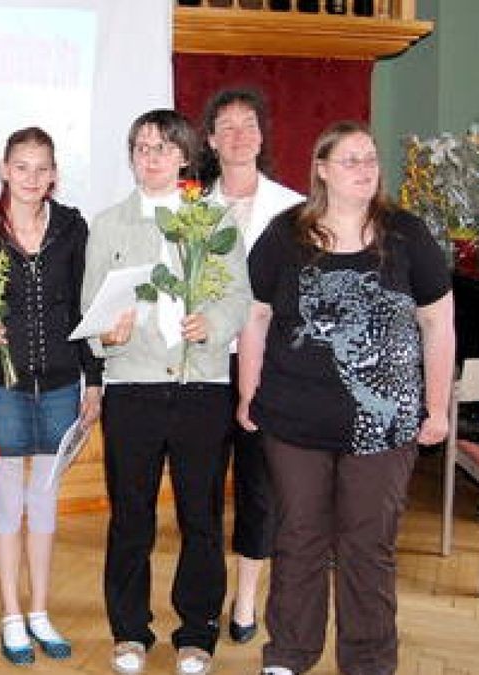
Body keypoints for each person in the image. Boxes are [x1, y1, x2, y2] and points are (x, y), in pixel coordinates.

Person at [236, 121, 454, 675]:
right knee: (299, 537)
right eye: (351, 159)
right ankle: (288, 654)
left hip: (385, 425)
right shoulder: (285, 234)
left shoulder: (407, 234)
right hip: (293, 419)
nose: (365, 169)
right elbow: (255, 319)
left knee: (367, 545)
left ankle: (369, 661)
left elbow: (438, 325)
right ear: (323, 170)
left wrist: (437, 407)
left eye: (371, 159)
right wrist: (247, 396)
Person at [82, 109, 250, 675]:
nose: (150, 158)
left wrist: (215, 325)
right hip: (133, 386)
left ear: (184, 156)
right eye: (141, 148)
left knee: (200, 515)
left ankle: (197, 631)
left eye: (161, 147)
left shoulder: (214, 218)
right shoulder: (107, 224)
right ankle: (129, 631)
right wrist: (108, 333)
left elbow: (238, 298)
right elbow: (90, 312)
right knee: (131, 516)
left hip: (201, 385)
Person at [0, 127, 103, 666]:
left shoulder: (72, 227)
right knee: (6, 502)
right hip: (5, 388)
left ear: (54, 174)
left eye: (41, 168)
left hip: (63, 383)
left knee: (44, 502)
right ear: (4, 169)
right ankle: (10, 615)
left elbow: (85, 309)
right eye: (21, 166)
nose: (31, 177)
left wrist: (94, 379)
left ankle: (40, 609)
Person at [194, 88, 304, 644]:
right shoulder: (189, 208)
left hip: (271, 373)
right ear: (210, 140)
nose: (238, 134)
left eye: (247, 124)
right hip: (207, 368)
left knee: (258, 490)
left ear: (262, 136)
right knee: (204, 489)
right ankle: (206, 598)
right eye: (225, 126)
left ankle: (246, 598)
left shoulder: (294, 209)